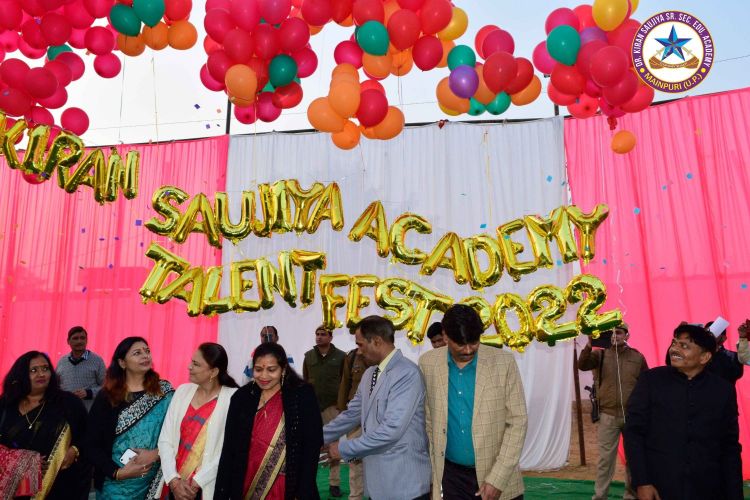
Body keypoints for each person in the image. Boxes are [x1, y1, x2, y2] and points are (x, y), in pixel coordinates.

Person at [419, 304, 527, 500]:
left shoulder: (504, 363)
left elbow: (518, 421)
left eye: (474, 342)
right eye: (461, 344)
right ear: (445, 336)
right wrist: (434, 474)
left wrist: (498, 478)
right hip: (450, 478)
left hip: (497, 474)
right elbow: (428, 421)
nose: (468, 350)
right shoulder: (428, 363)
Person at [624, 324, 743, 500]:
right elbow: (634, 433)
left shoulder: (723, 390)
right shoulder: (651, 381)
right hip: (660, 487)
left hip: (707, 488)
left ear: (704, 357)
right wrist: (642, 482)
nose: (674, 349)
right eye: (674, 343)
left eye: (684, 345)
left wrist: (735, 494)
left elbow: (729, 446)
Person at [323, 315, 431, 500]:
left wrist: (344, 448)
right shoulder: (370, 374)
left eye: (360, 345)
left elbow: (391, 431)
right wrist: (317, 437)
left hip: (405, 483)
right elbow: (351, 415)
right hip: (378, 483)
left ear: (377, 341)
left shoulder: (407, 373)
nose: (358, 352)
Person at [215, 342, 323, 499]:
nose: (264, 376)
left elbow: (312, 445)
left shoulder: (302, 395)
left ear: (283, 369)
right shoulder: (242, 398)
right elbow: (229, 449)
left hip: (287, 485)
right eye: (258, 369)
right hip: (246, 482)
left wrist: (303, 488)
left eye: (271, 370)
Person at [86, 336, 174, 499]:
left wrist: (156, 453)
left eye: (147, 351)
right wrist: (118, 473)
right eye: (137, 353)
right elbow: (91, 443)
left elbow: (178, 432)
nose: (145, 355)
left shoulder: (164, 392)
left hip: (154, 482)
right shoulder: (107, 396)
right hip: (113, 484)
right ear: (122, 363)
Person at [0, 351, 89, 499]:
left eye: (45, 369)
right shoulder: (6, 404)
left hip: (59, 485)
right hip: (14, 487)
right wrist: (20, 460)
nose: (41, 374)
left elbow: (89, 435)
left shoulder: (68, 403)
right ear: (20, 375)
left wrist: (75, 450)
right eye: (33, 370)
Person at [158, 343, 239, 499]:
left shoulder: (233, 398)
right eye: (191, 361)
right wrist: (174, 481)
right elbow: (165, 440)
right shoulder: (182, 391)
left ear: (214, 371)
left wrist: (197, 482)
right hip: (173, 483)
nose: (189, 367)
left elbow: (230, 450)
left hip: (206, 486)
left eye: (196, 364)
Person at [577, 324, 647, 500]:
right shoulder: (599, 355)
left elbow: (646, 385)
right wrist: (589, 345)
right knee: (605, 461)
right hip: (607, 416)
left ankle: (631, 495)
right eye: (612, 332)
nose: (615, 335)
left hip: (631, 417)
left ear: (627, 335)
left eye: (619, 332)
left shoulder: (637, 357)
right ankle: (600, 496)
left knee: (633, 458)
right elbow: (582, 365)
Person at [303, 325, 346, 498]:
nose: (319, 337)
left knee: (333, 445)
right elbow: (305, 381)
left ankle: (334, 483)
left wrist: (341, 405)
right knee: (311, 445)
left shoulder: (341, 356)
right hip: (312, 407)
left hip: (332, 406)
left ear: (330, 337)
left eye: (323, 334)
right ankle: (308, 482)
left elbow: (345, 381)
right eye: (317, 334)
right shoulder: (308, 356)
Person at [335, 336, 369, 500]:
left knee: (378, 458)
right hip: (355, 414)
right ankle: (356, 496)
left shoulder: (382, 357)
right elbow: (345, 383)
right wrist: (342, 410)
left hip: (378, 415)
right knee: (355, 459)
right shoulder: (352, 356)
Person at [56, 325, 107, 411]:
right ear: (68, 341)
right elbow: (56, 386)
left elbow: (107, 387)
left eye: (82, 338)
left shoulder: (97, 360)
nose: (79, 341)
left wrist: (89, 393)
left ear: (87, 340)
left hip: (89, 411)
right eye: (75, 338)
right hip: (66, 412)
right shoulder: (62, 362)